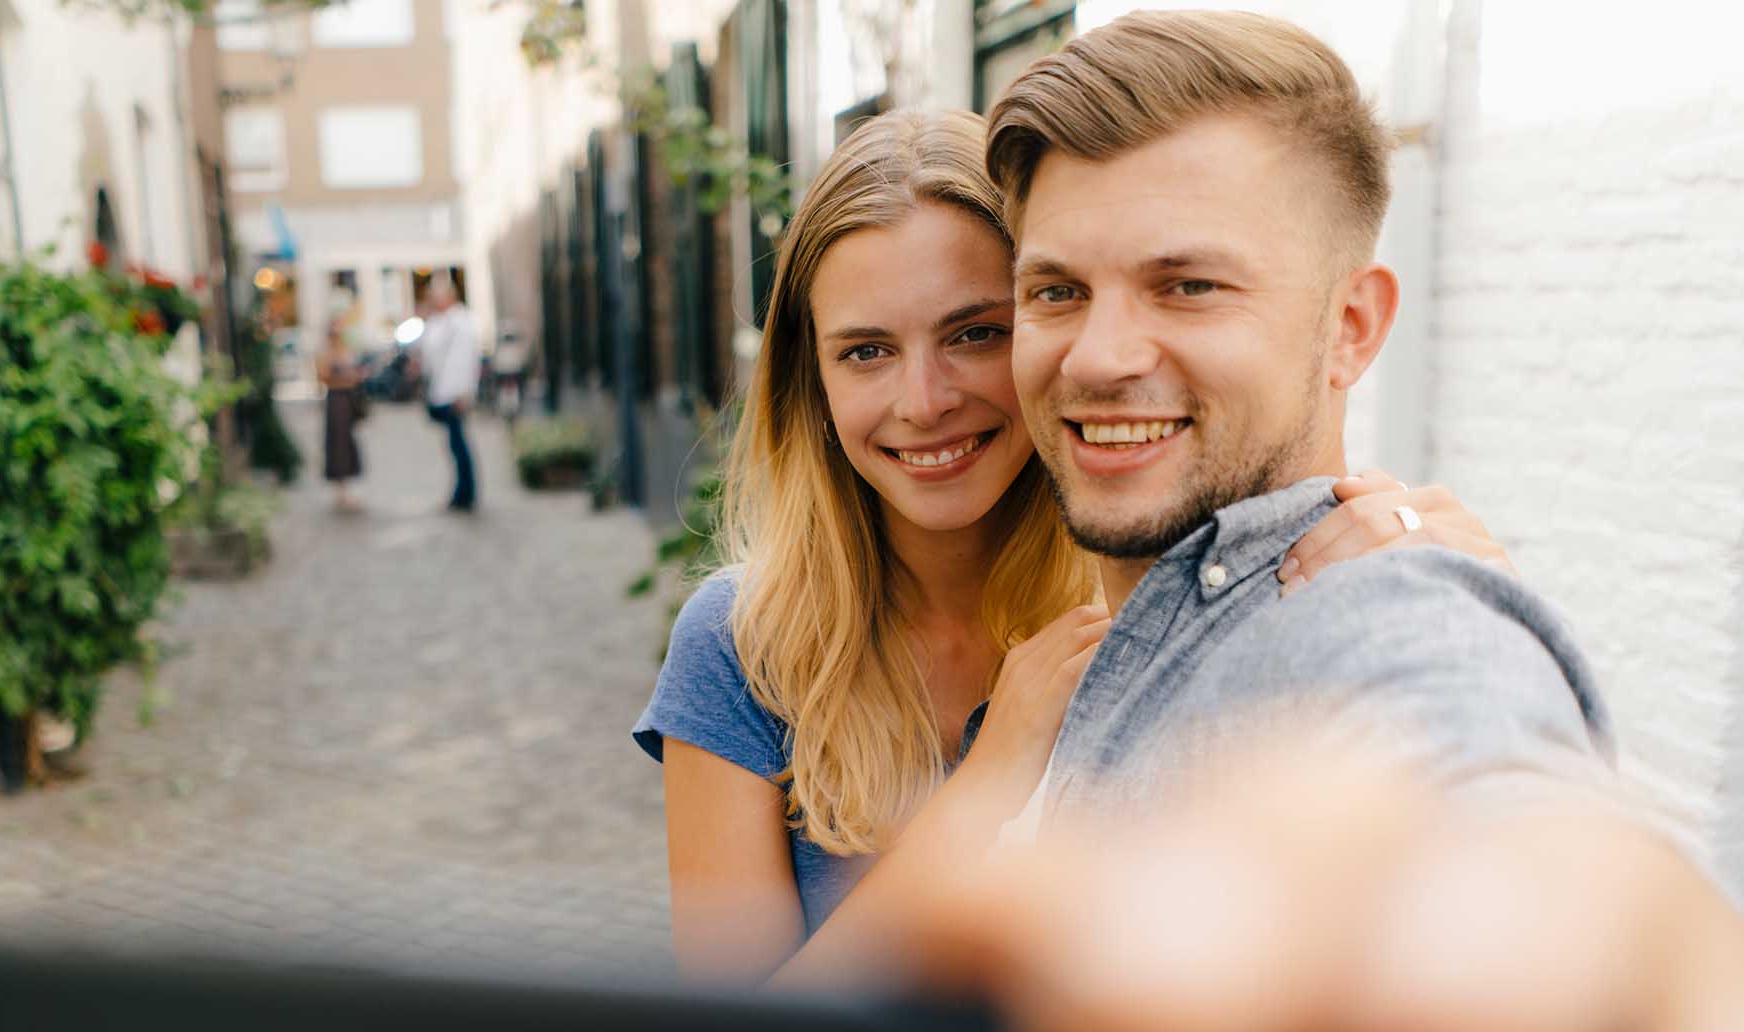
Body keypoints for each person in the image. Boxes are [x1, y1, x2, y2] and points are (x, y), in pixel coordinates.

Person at [860, 11, 1743, 1025]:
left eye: (1186, 286)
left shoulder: (1387, 612)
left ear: (1349, 327)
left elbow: (1485, 779)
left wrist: (1574, 924)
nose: (1097, 356)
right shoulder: (1084, 623)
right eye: (1055, 291)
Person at [631, 108, 1517, 984]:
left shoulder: (1153, 597)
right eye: (865, 351)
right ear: (812, 381)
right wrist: (988, 783)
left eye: (975, 333)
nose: (924, 400)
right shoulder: (744, 645)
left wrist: (1460, 595)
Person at [417, 280, 480, 512]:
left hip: (454, 392)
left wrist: (463, 392)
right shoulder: (439, 322)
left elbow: (466, 360)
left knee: (459, 443)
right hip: (443, 390)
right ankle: (461, 492)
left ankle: (465, 493)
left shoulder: (461, 322)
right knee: (454, 444)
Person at [316, 310, 367, 512]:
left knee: (348, 443)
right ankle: (341, 489)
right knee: (338, 444)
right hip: (336, 400)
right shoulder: (326, 353)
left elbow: (355, 375)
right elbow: (323, 376)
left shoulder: (346, 350)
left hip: (348, 400)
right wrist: (346, 377)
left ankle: (347, 487)